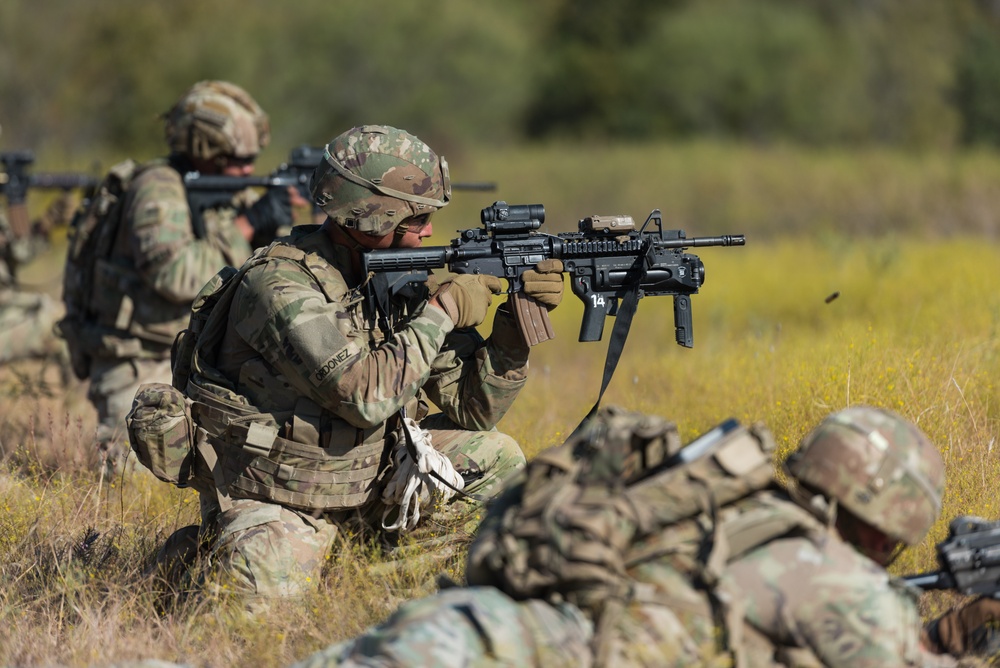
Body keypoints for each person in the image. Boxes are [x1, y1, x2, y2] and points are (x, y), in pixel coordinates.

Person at [151, 123, 565, 607]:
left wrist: (513, 329)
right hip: (281, 492)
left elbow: (475, 410)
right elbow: (365, 397)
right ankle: (200, 557)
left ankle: (379, 583)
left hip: (366, 479)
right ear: (373, 217)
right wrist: (442, 312)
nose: (429, 231)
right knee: (249, 617)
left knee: (498, 458)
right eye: (418, 219)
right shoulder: (278, 286)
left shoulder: (397, 281)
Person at [296, 405, 1000, 667]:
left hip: (460, 625)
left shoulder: (726, 507)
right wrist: (977, 632)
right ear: (892, 523)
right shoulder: (830, 576)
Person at [60, 80, 306, 479]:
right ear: (205, 150)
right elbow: (176, 275)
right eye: (237, 160)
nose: (247, 171)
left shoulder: (224, 189)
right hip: (140, 358)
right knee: (134, 477)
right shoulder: (156, 189)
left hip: (198, 360)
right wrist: (247, 225)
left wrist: (274, 225)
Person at [0, 188, 77, 365]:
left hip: (9, 310)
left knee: (64, 319)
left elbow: (18, 252)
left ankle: (77, 391)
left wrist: (46, 223)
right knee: (59, 326)